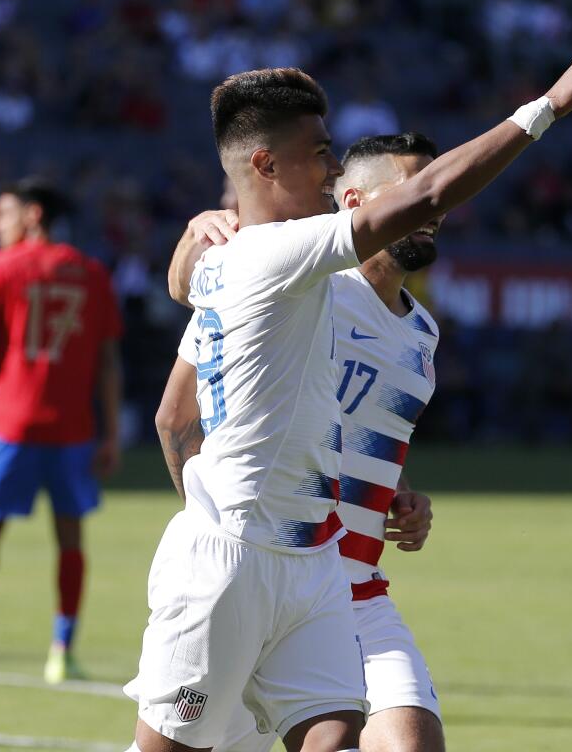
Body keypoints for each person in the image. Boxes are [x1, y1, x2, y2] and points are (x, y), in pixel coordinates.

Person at [124, 33, 572, 752]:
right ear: (265, 163)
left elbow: (186, 286)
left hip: (316, 560)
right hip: (230, 556)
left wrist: (394, 489)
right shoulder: (285, 256)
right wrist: (548, 106)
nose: (330, 168)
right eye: (319, 151)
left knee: (338, 737)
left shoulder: (256, 261)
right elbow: (428, 193)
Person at [166, 132, 447, 752]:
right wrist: (216, 539)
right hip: (247, 574)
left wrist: (398, 495)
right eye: (413, 193)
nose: (432, 210)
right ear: (356, 201)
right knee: (180, 741)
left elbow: (355, 433)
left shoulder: (422, 332)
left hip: (355, 590)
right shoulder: (298, 283)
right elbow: (176, 415)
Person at [0, 177, 123, 684]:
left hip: (7, 422)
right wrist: (111, 433)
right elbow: (108, 363)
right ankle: (61, 650)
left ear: (32, 216)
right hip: (72, 429)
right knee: (70, 541)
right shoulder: (93, 273)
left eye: (4, 214)